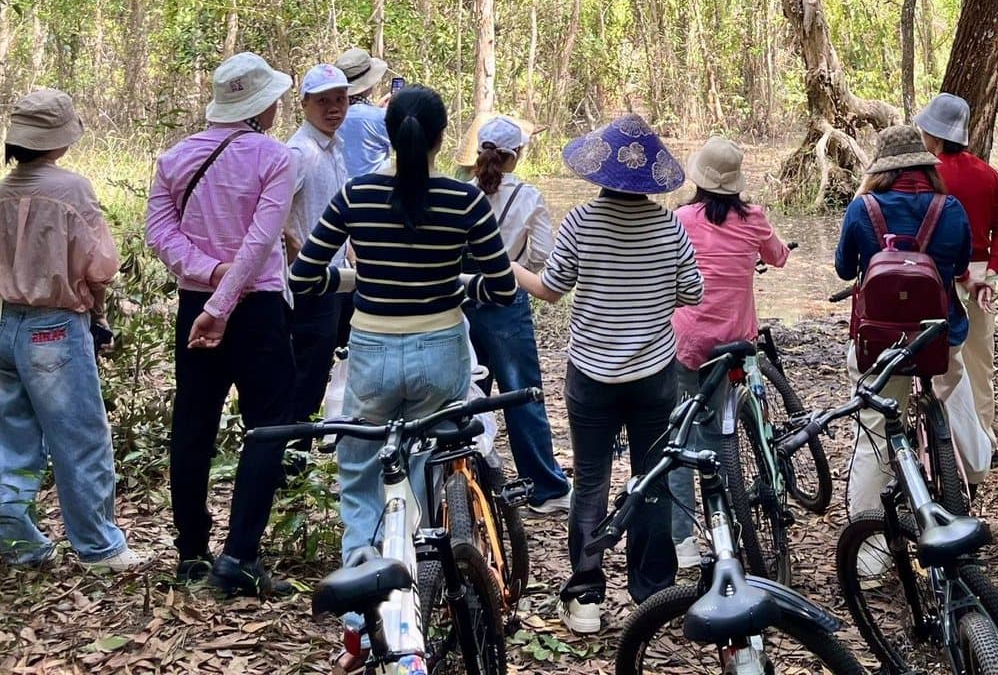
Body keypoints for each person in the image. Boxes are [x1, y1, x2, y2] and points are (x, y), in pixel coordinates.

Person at [289, 85, 519, 564]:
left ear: (389, 135)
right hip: (440, 347)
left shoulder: (357, 196)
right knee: (425, 456)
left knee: (360, 464)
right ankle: (415, 560)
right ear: (440, 138)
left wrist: (357, 278)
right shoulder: (466, 202)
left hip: (373, 349)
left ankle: (362, 585)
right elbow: (500, 288)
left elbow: (305, 276)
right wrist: (458, 286)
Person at [521, 115, 702, 635]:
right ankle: (653, 591)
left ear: (599, 174)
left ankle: (585, 596)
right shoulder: (669, 227)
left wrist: (509, 267)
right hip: (653, 375)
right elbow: (693, 294)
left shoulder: (580, 222)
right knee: (650, 479)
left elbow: (553, 289)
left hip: (591, 375)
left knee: (592, 479)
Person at [145, 51, 297, 596]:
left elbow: (159, 233)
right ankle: (239, 557)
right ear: (264, 106)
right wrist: (225, 298)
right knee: (267, 428)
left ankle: (191, 554)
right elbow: (261, 242)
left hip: (197, 306)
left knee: (193, 426)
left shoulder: (175, 158)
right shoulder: (276, 159)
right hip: (255, 311)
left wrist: (208, 282)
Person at [0, 89, 148, 572]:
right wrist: (97, 309)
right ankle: (99, 547)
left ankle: (20, 545)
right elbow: (100, 264)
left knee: (10, 440)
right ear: (60, 138)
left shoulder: (2, 191)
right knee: (80, 437)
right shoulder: (71, 188)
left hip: (6, 322)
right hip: (55, 326)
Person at [833, 124, 973, 522]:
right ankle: (952, 480)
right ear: (927, 167)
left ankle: (869, 554)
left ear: (881, 169)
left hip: (879, 342)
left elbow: (845, 269)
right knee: (946, 400)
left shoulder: (864, 208)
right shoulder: (951, 209)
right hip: (939, 336)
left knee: (875, 434)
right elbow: (961, 267)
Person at [669, 137, 789, 566]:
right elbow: (777, 258)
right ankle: (732, 523)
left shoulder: (680, 217)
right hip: (736, 342)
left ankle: (682, 540)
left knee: (681, 433)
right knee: (721, 434)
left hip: (688, 342)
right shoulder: (753, 218)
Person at [464, 115, 571, 515]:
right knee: (521, 395)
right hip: (505, 303)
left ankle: (467, 483)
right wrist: (517, 262)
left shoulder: (460, 192)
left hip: (461, 300)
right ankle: (545, 488)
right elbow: (544, 252)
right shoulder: (527, 197)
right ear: (517, 156)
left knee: (466, 395)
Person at [915, 92, 998, 454]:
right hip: (980, 275)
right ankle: (983, 439)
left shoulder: (927, 175)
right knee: (979, 360)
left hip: (941, 273)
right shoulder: (987, 174)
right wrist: (991, 271)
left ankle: (943, 441)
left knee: (941, 358)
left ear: (936, 136)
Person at [284, 63, 353, 427]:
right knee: (308, 372)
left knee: (338, 361)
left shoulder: (333, 147)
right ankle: (295, 458)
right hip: (311, 282)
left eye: (340, 100)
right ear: (305, 104)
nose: (333, 108)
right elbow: (271, 208)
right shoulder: (300, 152)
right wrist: (296, 247)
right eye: (323, 101)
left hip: (339, 276)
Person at [333, 46, 392, 179]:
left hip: (339, 193)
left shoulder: (330, 116)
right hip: (375, 193)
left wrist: (376, 109)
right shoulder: (379, 118)